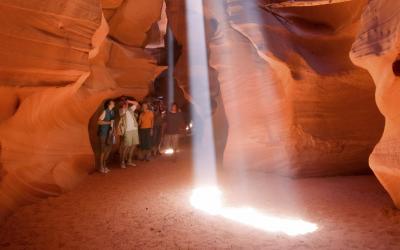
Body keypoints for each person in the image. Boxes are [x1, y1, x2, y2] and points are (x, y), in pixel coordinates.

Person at [118, 99, 140, 168]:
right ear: (122, 104)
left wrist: (129, 101)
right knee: (126, 147)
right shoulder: (121, 110)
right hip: (127, 131)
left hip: (134, 130)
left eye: (126, 103)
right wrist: (124, 106)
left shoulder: (130, 109)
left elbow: (136, 103)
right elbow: (122, 114)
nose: (126, 104)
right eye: (124, 103)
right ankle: (122, 162)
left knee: (133, 146)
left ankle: (129, 161)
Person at [97, 99, 115, 174]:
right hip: (104, 133)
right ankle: (101, 167)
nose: (114, 103)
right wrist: (108, 122)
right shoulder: (105, 111)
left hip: (110, 134)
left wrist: (113, 131)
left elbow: (112, 123)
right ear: (109, 104)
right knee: (103, 150)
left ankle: (104, 165)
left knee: (108, 150)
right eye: (112, 103)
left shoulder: (112, 112)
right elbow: (99, 121)